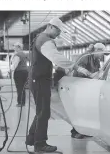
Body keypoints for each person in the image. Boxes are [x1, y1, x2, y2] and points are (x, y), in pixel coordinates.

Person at [26, 17, 92, 153]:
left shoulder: (40, 38)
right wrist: (75, 67)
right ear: (51, 27)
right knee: (44, 112)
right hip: (40, 80)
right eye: (58, 31)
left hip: (38, 79)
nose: (59, 34)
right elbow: (56, 57)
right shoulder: (45, 40)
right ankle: (40, 144)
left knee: (41, 111)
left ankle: (32, 138)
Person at [70, 42, 106, 139]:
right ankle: (75, 131)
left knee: (86, 109)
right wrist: (90, 75)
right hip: (80, 85)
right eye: (102, 52)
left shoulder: (96, 59)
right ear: (97, 50)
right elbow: (79, 70)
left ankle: (84, 130)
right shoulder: (86, 57)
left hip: (88, 86)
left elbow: (97, 70)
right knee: (79, 109)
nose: (103, 55)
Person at [10, 42, 29, 107]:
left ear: (18, 47)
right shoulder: (24, 54)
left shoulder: (17, 55)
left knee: (19, 88)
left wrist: (10, 70)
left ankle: (20, 103)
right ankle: (23, 102)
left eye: (15, 46)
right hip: (25, 72)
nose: (14, 48)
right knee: (23, 88)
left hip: (19, 72)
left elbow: (15, 64)